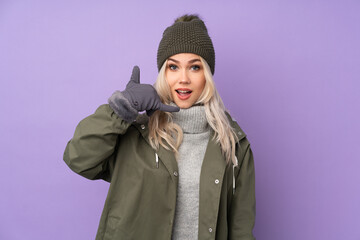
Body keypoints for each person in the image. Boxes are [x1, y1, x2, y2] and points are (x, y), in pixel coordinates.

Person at [63, 14, 256, 240]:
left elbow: (241, 230)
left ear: (207, 74)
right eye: (173, 67)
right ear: (163, 73)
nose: (183, 78)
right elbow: (78, 159)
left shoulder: (234, 146)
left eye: (194, 67)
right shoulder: (135, 134)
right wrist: (120, 110)